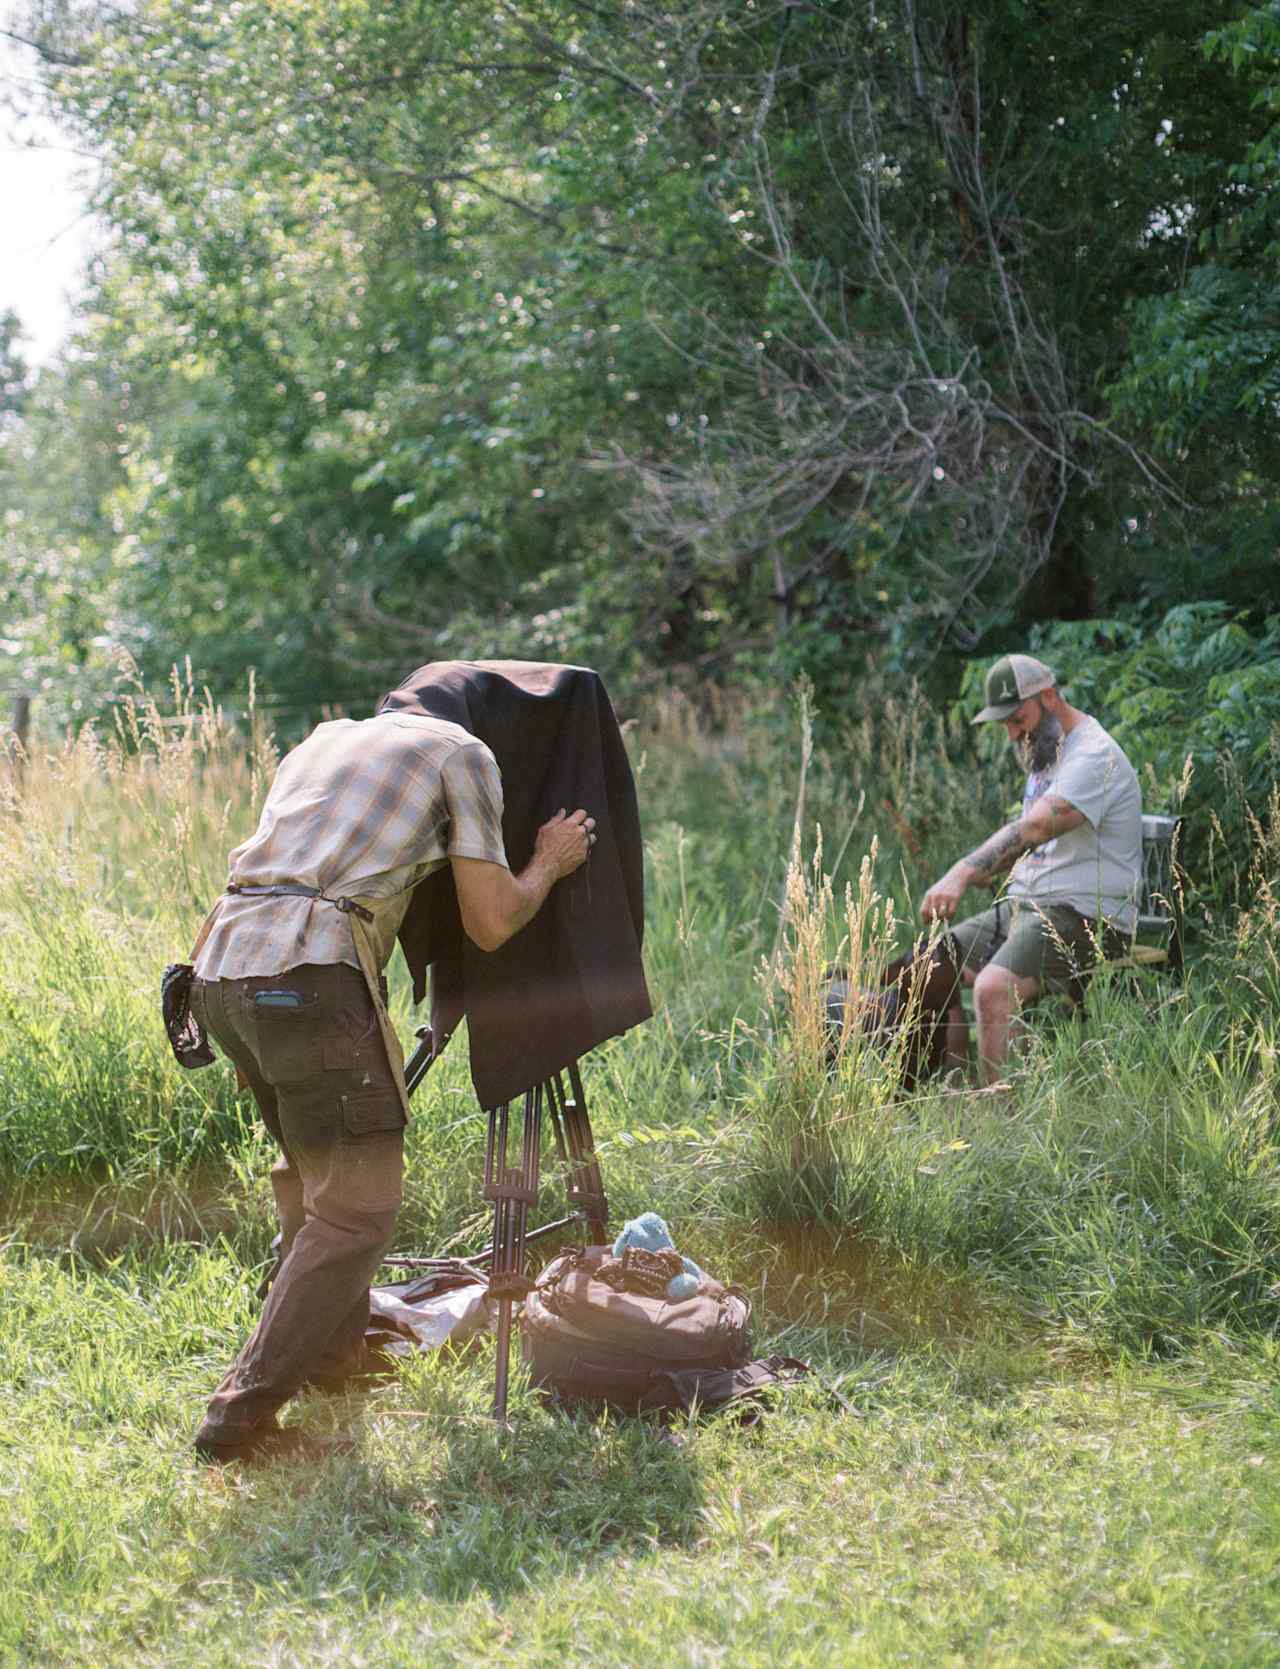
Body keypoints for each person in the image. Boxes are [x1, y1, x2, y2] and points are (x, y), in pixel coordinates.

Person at [186, 707, 595, 1463]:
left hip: (219, 968)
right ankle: (236, 1416)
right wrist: (548, 860)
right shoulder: (464, 752)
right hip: (308, 971)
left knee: (312, 1179)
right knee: (356, 1212)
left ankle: (333, 1360)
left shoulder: (327, 738)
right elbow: (493, 920)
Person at [921, 653, 1142, 1085]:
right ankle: (955, 1092)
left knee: (992, 988)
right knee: (934, 966)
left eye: (1017, 719)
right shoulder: (1047, 751)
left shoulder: (1093, 755)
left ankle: (999, 1118)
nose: (1012, 734)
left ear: (1047, 697)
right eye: (1004, 724)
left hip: (1089, 916)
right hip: (1032, 906)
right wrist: (994, 867)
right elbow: (1033, 838)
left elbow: (1038, 825)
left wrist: (963, 871)